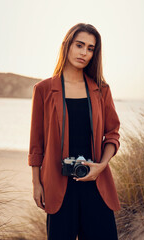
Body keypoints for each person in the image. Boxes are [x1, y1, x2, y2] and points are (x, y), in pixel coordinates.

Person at [28, 23, 121, 240]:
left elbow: (113, 133)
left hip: (96, 185)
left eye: (90, 48)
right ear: (67, 45)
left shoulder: (101, 89)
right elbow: (36, 143)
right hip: (58, 185)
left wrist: (101, 166)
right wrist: (36, 183)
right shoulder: (43, 89)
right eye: (80, 45)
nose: (84, 53)